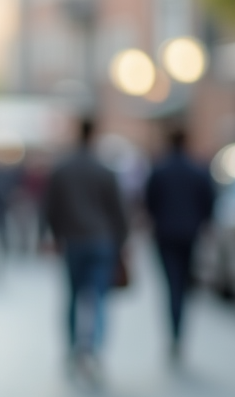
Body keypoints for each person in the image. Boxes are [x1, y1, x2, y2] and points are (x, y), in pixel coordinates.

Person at [43, 119, 129, 380]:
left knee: (72, 297)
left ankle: (72, 348)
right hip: (102, 241)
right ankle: (92, 349)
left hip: (73, 241)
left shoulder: (62, 169)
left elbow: (51, 207)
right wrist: (121, 243)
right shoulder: (105, 170)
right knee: (99, 299)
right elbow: (118, 211)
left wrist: (55, 236)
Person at [143, 128, 215, 361]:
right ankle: (178, 332)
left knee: (172, 285)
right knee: (183, 285)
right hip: (189, 235)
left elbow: (149, 202)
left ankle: (175, 333)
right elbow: (209, 201)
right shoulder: (197, 171)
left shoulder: (160, 170)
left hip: (165, 235)